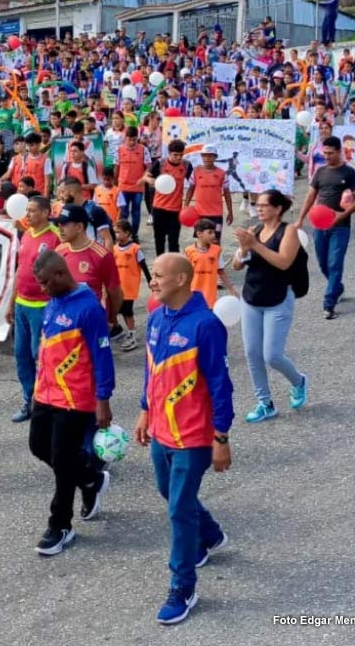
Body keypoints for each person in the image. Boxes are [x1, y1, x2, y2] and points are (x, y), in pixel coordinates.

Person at [135, 252, 233, 625]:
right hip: (160, 430)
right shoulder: (157, 317)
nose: (153, 281)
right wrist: (145, 408)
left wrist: (221, 436)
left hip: (193, 436)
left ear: (180, 280)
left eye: (159, 276)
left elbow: (221, 385)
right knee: (170, 493)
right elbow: (151, 368)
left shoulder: (205, 325)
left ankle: (183, 586)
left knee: (178, 508)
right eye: (153, 276)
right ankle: (209, 534)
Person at [28, 251, 114, 556]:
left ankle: (60, 524)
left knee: (62, 460)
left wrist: (103, 399)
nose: (42, 288)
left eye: (45, 282)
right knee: (39, 446)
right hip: (45, 394)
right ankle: (90, 478)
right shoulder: (53, 302)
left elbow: (102, 355)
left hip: (75, 398)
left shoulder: (89, 308)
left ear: (62, 275)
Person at [233, 190, 309, 423]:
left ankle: (299, 381)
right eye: (257, 204)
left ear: (277, 209)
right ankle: (265, 403)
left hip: (278, 299)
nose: (259, 208)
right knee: (252, 353)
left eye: (265, 205)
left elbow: (283, 262)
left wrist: (254, 245)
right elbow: (236, 265)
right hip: (251, 298)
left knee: (272, 355)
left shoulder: (289, 232)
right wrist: (245, 248)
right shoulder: (253, 230)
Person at [5, 197, 60, 424]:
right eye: (26, 210)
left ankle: (50, 402)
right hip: (22, 305)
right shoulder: (26, 235)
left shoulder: (55, 236)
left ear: (46, 212)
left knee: (42, 355)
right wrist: (11, 301)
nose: (27, 215)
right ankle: (30, 399)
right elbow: (20, 270)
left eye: (32, 210)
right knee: (21, 355)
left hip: (43, 306)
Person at [296, 136, 355, 320]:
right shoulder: (320, 172)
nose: (327, 156)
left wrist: (342, 215)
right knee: (323, 263)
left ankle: (329, 303)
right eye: (324, 153)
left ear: (339, 151)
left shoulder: (348, 172)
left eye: (330, 153)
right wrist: (300, 219)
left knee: (335, 264)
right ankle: (337, 288)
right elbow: (310, 196)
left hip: (340, 226)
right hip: (319, 225)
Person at [54, 205, 124, 324]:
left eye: (64, 225)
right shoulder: (59, 251)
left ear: (79, 227)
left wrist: (111, 319)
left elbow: (115, 293)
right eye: (59, 225)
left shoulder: (102, 255)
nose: (60, 229)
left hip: (93, 322)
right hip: (67, 321)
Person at [145, 139, 192, 255]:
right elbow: (146, 176)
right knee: (159, 241)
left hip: (175, 211)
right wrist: (150, 180)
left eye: (181, 155)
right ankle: (160, 269)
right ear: (169, 153)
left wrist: (187, 203)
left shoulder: (186, 165)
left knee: (173, 243)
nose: (178, 158)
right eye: (175, 155)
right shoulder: (160, 163)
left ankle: (173, 270)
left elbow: (194, 183)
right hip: (158, 209)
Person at [112, 219, 152, 352]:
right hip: (118, 287)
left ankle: (132, 335)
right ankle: (125, 331)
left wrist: (150, 280)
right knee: (121, 310)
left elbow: (144, 266)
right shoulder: (115, 249)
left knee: (128, 311)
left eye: (118, 232)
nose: (115, 234)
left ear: (127, 233)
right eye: (115, 232)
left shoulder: (135, 249)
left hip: (129, 286)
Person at [183, 143, 233, 244]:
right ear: (201, 157)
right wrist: (185, 206)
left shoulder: (222, 173)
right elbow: (190, 189)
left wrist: (230, 212)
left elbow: (227, 194)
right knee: (201, 242)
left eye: (210, 155)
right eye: (204, 155)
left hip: (216, 214)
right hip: (200, 214)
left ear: (215, 157)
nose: (207, 158)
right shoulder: (195, 172)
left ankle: (216, 259)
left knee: (215, 241)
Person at [186, 219, 237, 309]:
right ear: (199, 234)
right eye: (210, 232)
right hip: (192, 295)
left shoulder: (217, 250)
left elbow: (221, 271)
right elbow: (184, 272)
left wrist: (232, 289)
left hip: (210, 297)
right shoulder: (189, 251)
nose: (213, 235)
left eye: (214, 232)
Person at [116, 126, 151, 239]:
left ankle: (134, 235)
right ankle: (123, 235)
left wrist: (144, 178)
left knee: (136, 212)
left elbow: (149, 167)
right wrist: (116, 183)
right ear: (125, 138)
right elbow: (116, 167)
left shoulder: (143, 149)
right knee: (123, 213)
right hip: (123, 186)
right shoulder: (119, 149)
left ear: (138, 138)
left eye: (134, 140)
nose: (131, 142)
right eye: (129, 139)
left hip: (138, 187)